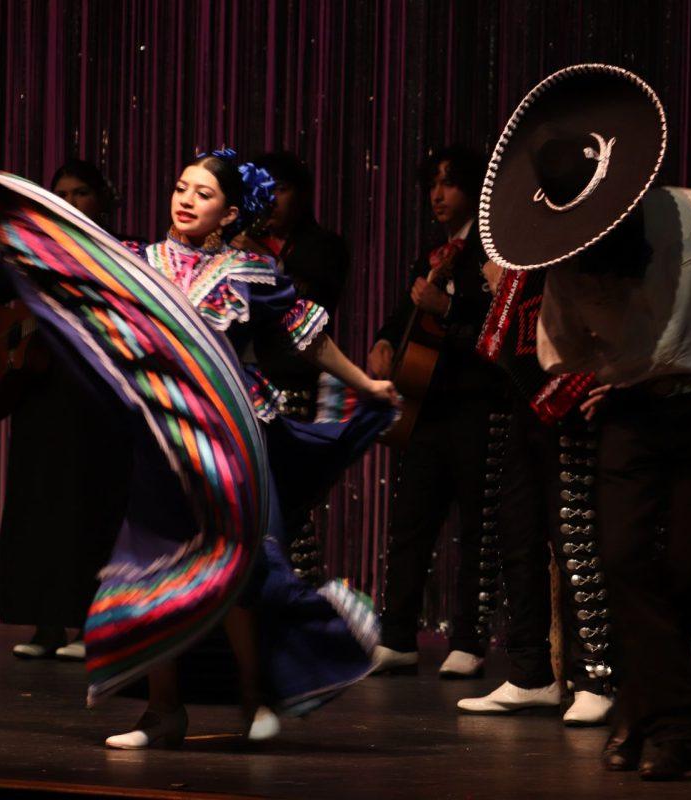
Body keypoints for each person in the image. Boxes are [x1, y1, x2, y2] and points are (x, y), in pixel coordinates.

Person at [0, 131, 397, 749]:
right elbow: (72, 277)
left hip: (234, 434)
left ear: (229, 214)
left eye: (202, 193)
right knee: (156, 567)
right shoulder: (138, 263)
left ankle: (255, 700)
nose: (185, 199)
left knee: (240, 569)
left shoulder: (250, 271)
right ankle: (162, 712)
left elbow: (307, 338)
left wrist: (365, 381)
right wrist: (19, 229)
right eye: (180, 187)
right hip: (165, 439)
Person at [481, 65, 691, 779]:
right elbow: (560, 350)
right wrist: (617, 372)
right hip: (632, 416)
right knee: (622, 561)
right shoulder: (570, 262)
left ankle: (637, 710)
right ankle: (682, 729)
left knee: (687, 569)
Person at [0, 159, 131, 661]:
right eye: (62, 192)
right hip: (40, 398)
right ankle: (45, 625)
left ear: (102, 200)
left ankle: (88, 626)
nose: (71, 201)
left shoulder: (118, 253)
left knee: (90, 508)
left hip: (97, 400)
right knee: (39, 507)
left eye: (82, 192)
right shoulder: (33, 252)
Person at [368, 145, 512, 680]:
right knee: (411, 524)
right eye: (433, 183)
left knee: (478, 525)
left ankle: (470, 639)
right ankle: (398, 635)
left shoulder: (492, 252)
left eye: (449, 183)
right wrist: (384, 341)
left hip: (477, 404)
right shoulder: (435, 253)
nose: (437, 194)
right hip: (427, 406)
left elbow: (501, 323)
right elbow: (402, 316)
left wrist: (447, 309)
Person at [456, 266, 614, 725]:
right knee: (516, 531)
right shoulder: (527, 234)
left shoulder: (588, 232)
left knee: (574, 534)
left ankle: (596, 678)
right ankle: (531, 674)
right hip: (525, 392)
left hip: (575, 387)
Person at [251, 150, 352, 585]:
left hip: (292, 384)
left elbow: (309, 302)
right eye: (264, 190)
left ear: (304, 195)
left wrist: (253, 255)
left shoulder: (324, 246)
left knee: (290, 504)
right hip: (241, 382)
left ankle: (303, 600)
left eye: (283, 188)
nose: (272, 199)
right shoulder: (237, 239)